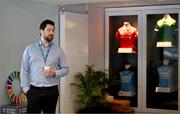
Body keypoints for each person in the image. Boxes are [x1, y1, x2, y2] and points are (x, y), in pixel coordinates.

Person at [20, 19, 69, 114]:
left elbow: (66, 69)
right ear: (41, 31)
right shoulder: (29, 49)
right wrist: (26, 89)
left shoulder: (58, 50)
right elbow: (24, 70)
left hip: (52, 91)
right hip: (34, 90)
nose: (51, 33)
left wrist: (55, 73)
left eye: (53, 30)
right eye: (49, 30)